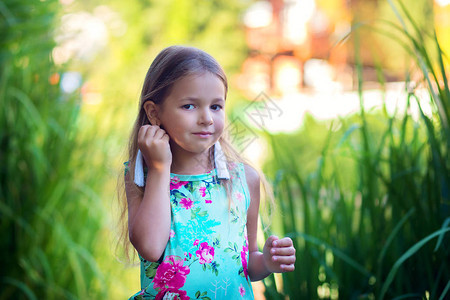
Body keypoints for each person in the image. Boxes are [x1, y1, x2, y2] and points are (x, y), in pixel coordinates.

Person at [122, 45, 296, 300]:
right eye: (190, 106)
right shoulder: (143, 176)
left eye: (216, 106)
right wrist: (159, 167)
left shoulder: (244, 179)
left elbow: (247, 262)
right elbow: (150, 247)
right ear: (154, 113)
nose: (207, 118)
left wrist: (268, 262)